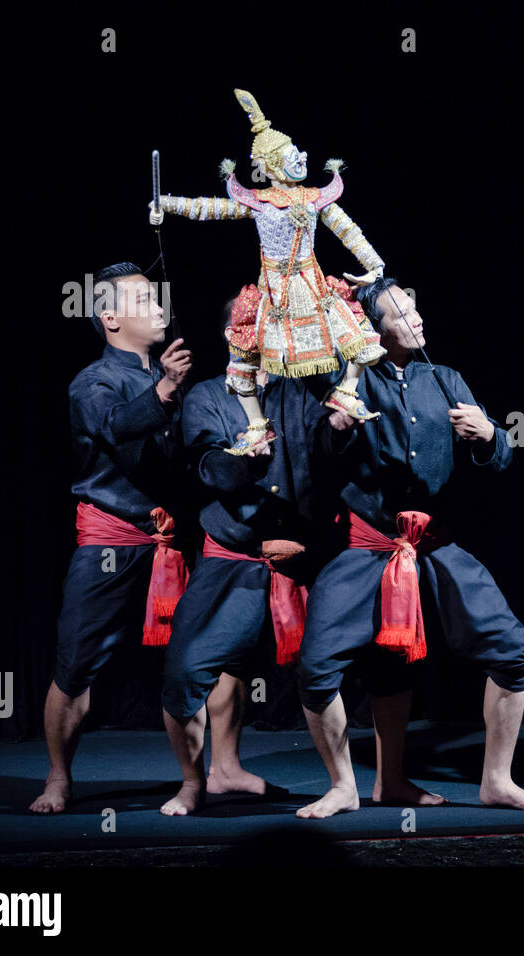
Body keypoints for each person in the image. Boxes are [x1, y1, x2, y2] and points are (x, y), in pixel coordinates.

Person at [295, 278, 524, 816]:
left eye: (415, 307)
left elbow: (501, 455)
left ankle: (496, 781)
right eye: (399, 313)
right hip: (367, 545)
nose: (415, 318)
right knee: (318, 666)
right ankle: (347, 785)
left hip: (433, 544)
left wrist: (490, 436)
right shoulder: (352, 381)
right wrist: (338, 425)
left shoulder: (446, 378)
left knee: (511, 649)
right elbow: (320, 447)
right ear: (371, 328)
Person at [158, 292, 355, 815]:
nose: (266, 335)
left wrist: (338, 431)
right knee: (186, 668)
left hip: (306, 553)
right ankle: (193, 783)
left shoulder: (301, 389)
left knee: (343, 666)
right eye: (255, 326)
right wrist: (242, 461)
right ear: (234, 334)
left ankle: (350, 784)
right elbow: (205, 467)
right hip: (235, 554)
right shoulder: (207, 396)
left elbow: (331, 455)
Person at [30, 263, 191, 813]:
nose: (156, 305)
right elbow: (116, 425)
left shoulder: (167, 378)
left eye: (156, 296)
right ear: (109, 317)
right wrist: (166, 390)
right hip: (112, 540)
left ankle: (218, 772)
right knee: (77, 662)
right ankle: (58, 777)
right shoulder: (94, 381)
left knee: (207, 655)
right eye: (143, 299)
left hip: (172, 537)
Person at [151, 89, 387, 454]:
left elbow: (348, 230)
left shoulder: (315, 198)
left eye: (299, 152)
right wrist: (166, 203)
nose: (302, 157)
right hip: (275, 294)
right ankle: (257, 425)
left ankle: (346, 392)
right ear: (273, 165)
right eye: (292, 155)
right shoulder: (258, 202)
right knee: (243, 357)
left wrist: (374, 264)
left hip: (311, 286)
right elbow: (209, 208)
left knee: (359, 336)